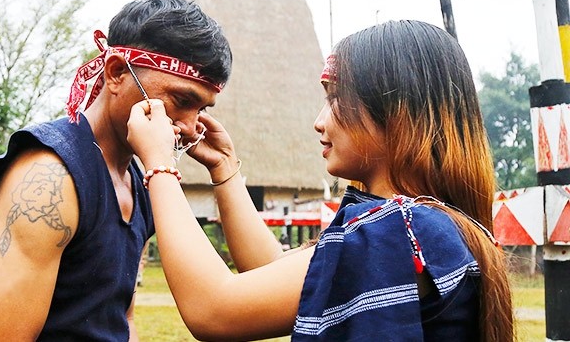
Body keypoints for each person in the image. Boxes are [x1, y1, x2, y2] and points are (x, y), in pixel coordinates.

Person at [127, 20, 514, 341]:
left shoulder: (402, 230)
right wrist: (225, 168)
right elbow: (277, 270)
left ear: (394, 108)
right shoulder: (429, 227)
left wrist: (159, 165)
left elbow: (214, 309)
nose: (319, 121)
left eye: (334, 98)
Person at [0, 0, 232, 341]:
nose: (190, 127)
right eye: (181, 100)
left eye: (202, 110)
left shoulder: (139, 183)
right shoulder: (51, 175)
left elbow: (121, 318)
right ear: (115, 73)